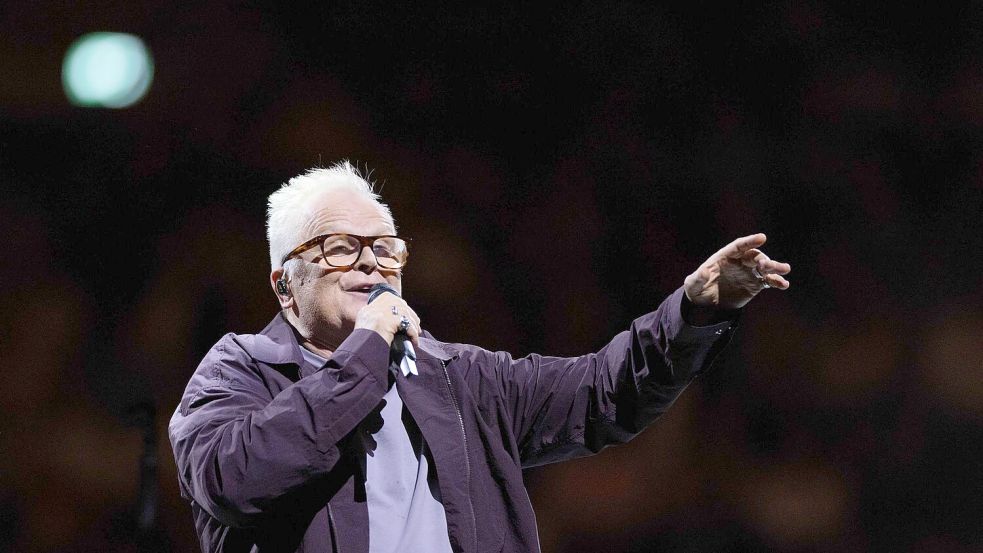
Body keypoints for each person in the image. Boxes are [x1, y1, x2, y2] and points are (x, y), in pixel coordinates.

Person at [168, 161, 791, 553]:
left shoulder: (460, 379)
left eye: (386, 249)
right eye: (339, 247)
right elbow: (234, 481)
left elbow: (605, 393)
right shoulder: (238, 371)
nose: (370, 261)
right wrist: (363, 357)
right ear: (285, 283)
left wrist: (695, 310)